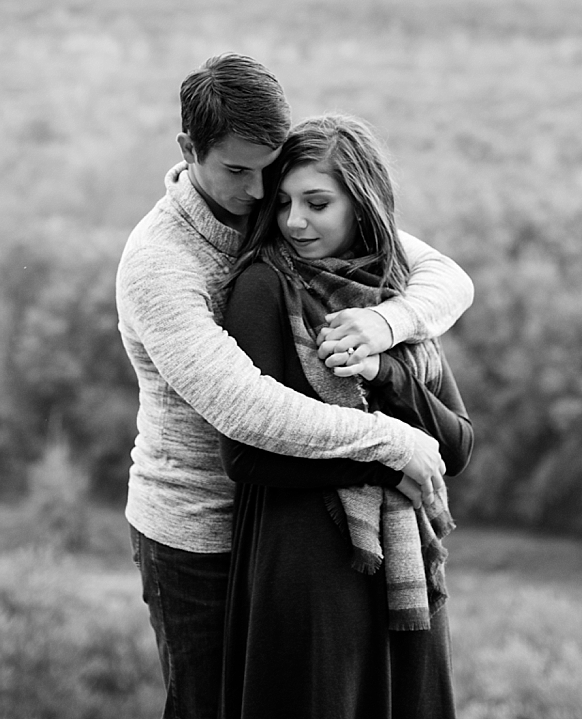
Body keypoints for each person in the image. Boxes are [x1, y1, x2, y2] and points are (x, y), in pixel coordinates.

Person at [116, 54, 474, 719]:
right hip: (197, 534)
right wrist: (391, 441)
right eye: (237, 172)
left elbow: (444, 276)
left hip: (294, 521)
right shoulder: (160, 263)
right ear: (189, 150)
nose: (259, 195)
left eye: (270, 171)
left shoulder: (285, 218)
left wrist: (382, 323)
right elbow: (245, 408)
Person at [219, 113, 474, 719]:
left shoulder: (397, 297)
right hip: (306, 563)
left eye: (317, 203)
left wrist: (383, 368)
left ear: (361, 204)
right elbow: (246, 455)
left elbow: (457, 447)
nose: (295, 222)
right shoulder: (264, 287)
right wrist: (387, 466)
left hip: (403, 566)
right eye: (282, 203)